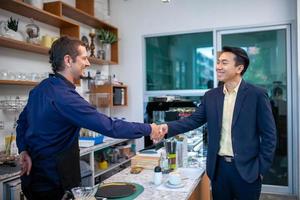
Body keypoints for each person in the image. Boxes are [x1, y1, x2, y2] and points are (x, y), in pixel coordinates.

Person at [16, 36, 161, 200]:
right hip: (54, 182)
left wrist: (23, 149)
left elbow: (22, 123)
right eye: (84, 58)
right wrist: (149, 128)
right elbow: (109, 126)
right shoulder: (65, 97)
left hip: (32, 180)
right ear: (68, 60)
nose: (88, 63)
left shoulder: (41, 88)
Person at [157, 46, 277, 200]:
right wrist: (167, 128)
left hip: (248, 170)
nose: (218, 67)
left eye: (224, 63)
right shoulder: (211, 96)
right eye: (218, 62)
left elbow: (269, 135)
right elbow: (193, 120)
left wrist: (260, 169)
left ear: (239, 68)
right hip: (219, 170)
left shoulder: (257, 95)